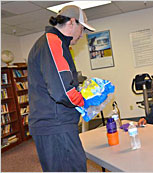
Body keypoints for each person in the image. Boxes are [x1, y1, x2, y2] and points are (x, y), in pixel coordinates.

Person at [27, 5, 96, 172]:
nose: (82, 34)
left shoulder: (52, 43)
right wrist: (86, 101)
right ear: (72, 22)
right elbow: (62, 92)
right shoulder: (52, 42)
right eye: (82, 28)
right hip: (56, 125)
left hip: (54, 124)